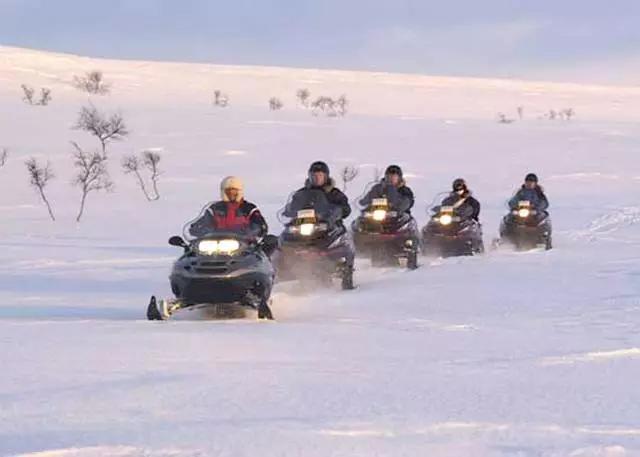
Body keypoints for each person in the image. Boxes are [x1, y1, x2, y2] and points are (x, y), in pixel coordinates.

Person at [189, 176, 278, 255]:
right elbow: (201, 223)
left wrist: (254, 232)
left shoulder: (249, 208)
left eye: (234, 191)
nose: (231, 194)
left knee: (262, 250)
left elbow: (260, 225)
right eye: (228, 192)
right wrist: (198, 229)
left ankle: (265, 268)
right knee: (192, 252)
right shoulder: (215, 208)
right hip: (215, 244)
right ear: (223, 192)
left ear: (239, 192)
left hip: (243, 244)